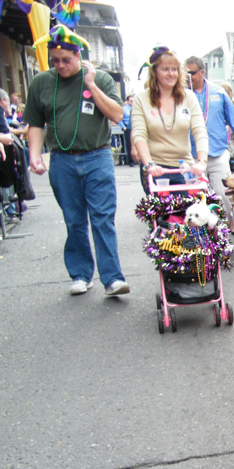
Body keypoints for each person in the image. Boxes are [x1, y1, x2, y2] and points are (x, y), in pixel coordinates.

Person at [25, 25, 129, 296]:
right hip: (62, 160)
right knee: (74, 220)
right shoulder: (41, 82)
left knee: (102, 218)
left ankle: (112, 278)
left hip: (97, 156)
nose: (60, 65)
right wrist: (34, 155)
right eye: (55, 60)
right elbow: (35, 123)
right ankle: (81, 274)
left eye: (66, 60)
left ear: (78, 55)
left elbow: (117, 115)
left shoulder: (100, 78)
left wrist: (91, 84)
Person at [131, 47, 208, 194]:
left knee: (190, 207)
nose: (171, 74)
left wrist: (202, 162)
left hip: (183, 167)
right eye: (165, 69)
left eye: (174, 69)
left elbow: (199, 130)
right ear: (154, 72)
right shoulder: (141, 98)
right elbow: (139, 134)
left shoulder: (189, 97)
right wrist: (150, 165)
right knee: (160, 208)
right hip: (157, 167)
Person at [184, 56, 234, 218]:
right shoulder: (181, 95)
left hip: (217, 153)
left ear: (202, 72)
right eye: (185, 73)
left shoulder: (218, 92)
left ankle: (227, 227)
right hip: (192, 156)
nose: (187, 77)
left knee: (224, 196)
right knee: (194, 200)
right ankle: (201, 232)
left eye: (191, 73)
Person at [120, 95, 136, 167]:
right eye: (131, 101)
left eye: (133, 101)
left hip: (136, 127)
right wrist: (124, 127)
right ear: (127, 101)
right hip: (128, 127)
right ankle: (130, 161)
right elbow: (119, 119)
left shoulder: (136, 108)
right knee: (129, 145)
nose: (132, 102)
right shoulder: (124, 109)